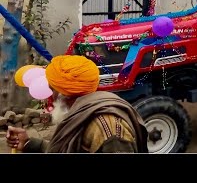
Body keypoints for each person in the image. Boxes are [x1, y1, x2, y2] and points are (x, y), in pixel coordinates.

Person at [6, 55, 148, 153]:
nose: (51, 96)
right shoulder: (81, 114)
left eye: (52, 89)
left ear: (64, 94)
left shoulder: (110, 130)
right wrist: (29, 143)